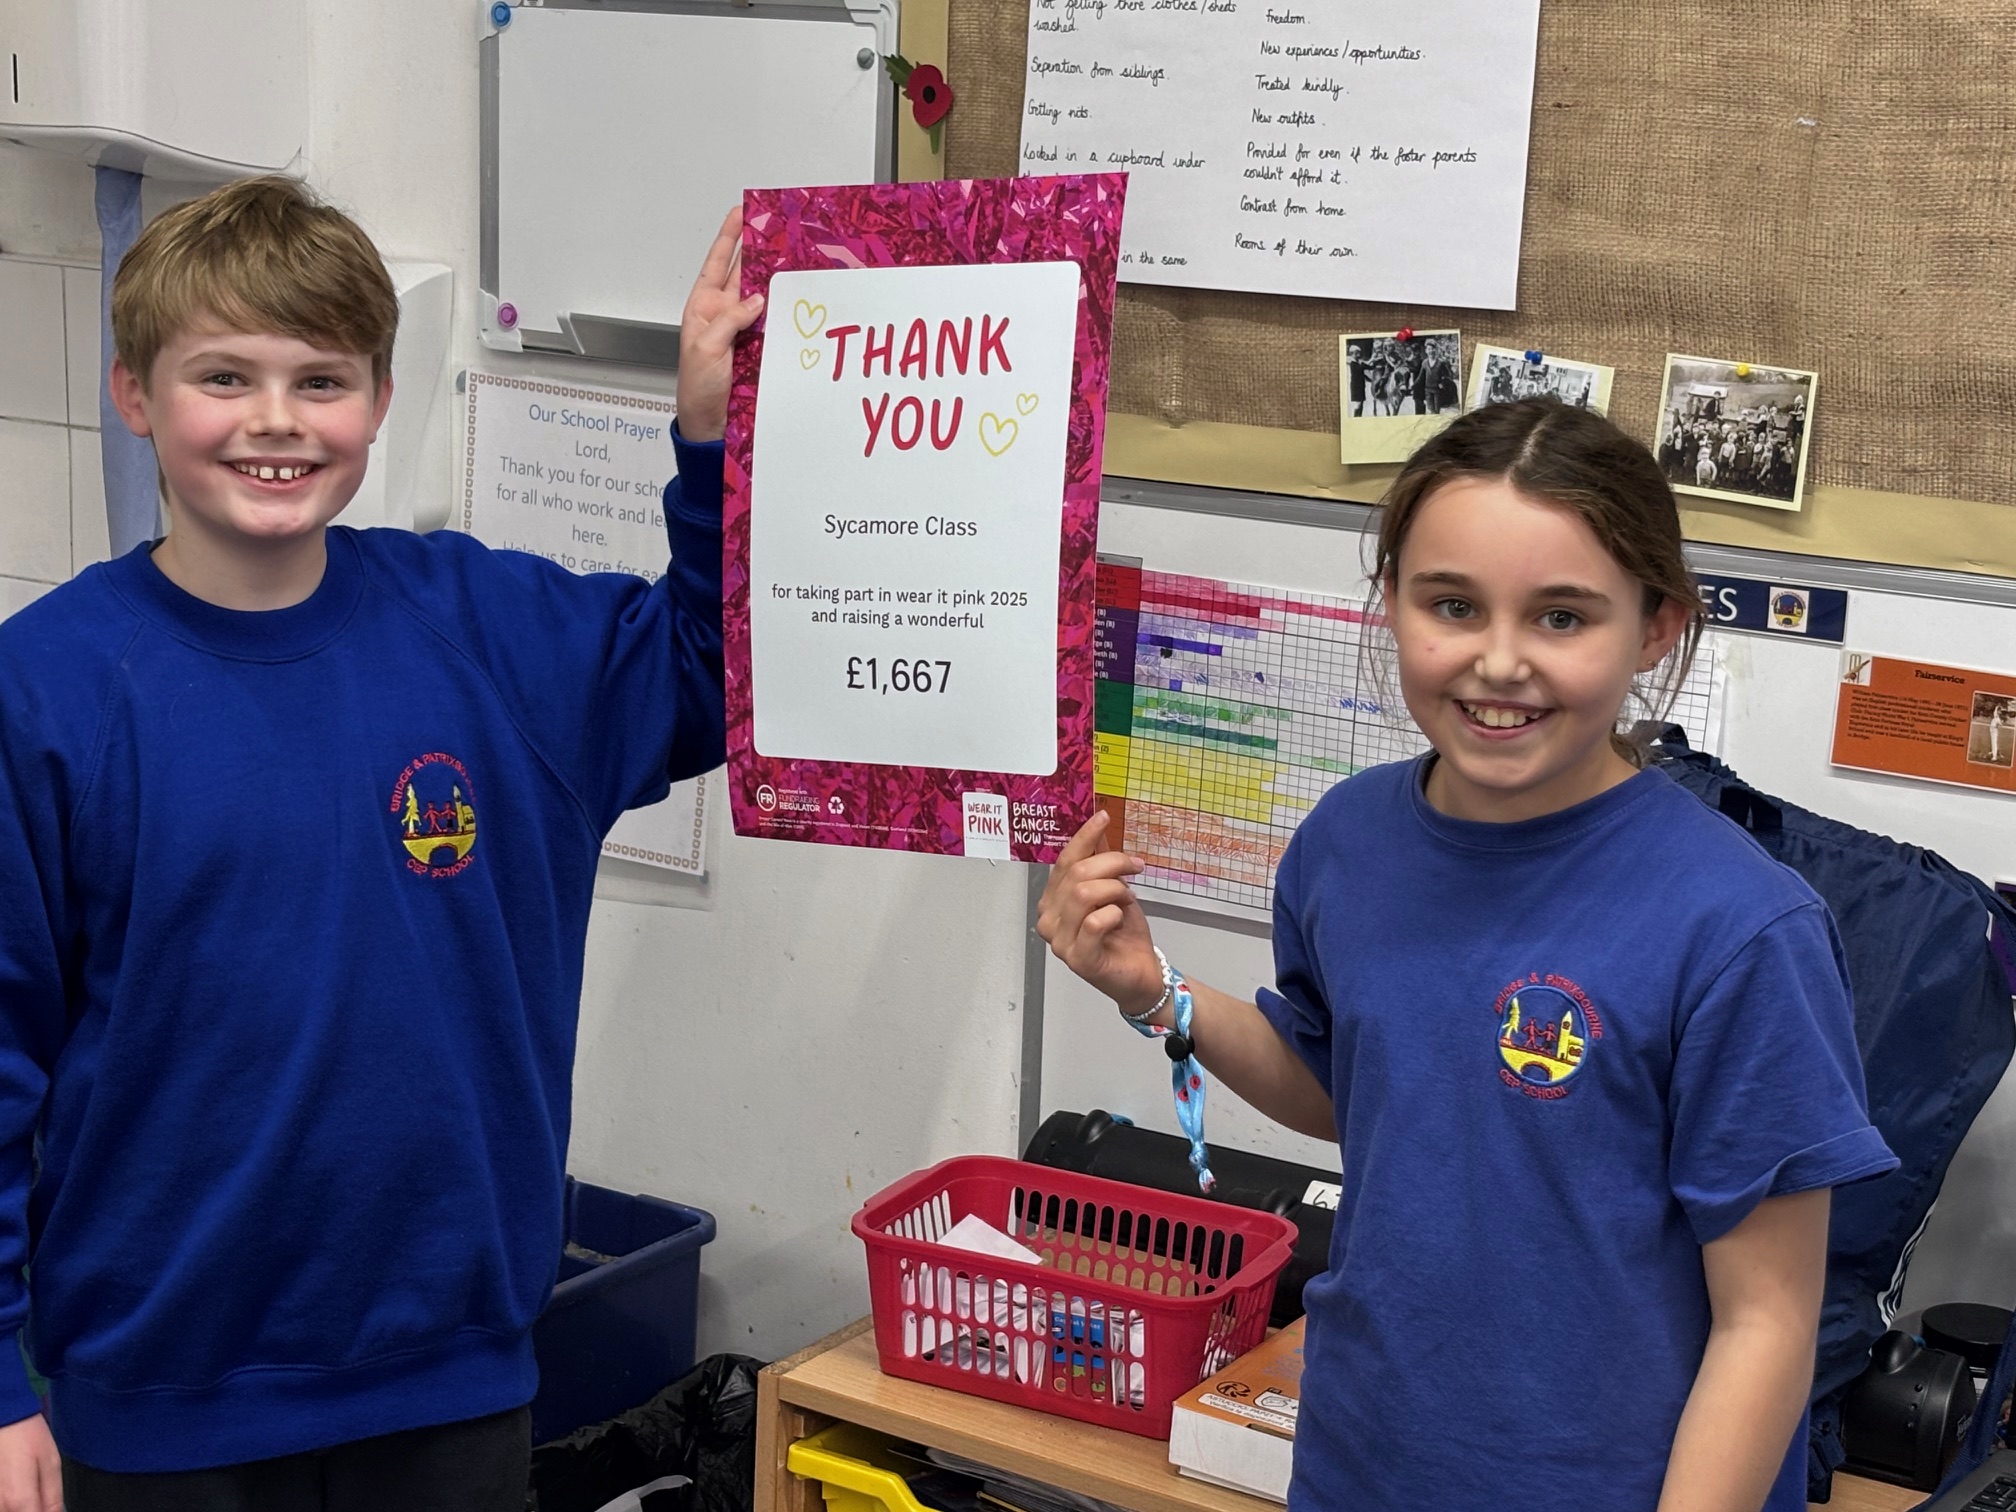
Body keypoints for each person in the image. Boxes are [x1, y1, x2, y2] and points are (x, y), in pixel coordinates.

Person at [0, 176, 763, 1508]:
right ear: (135, 395)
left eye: (322, 380)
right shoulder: (48, 688)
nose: (277, 420)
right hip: (157, 1396)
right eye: (223, 377)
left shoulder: (490, 636)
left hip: (448, 1377)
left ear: (381, 399)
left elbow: (709, 673)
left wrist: (708, 434)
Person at [1037, 398, 1895, 1511]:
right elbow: (1352, 1091)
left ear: (1657, 629)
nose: (1498, 662)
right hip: (1360, 1464)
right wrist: (1153, 991)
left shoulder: (1741, 928)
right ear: (1392, 600)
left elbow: (1767, 1322)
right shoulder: (1346, 843)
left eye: (1561, 617)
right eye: (1453, 605)